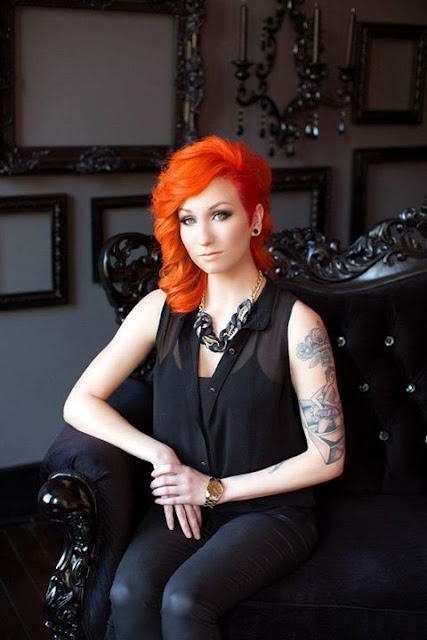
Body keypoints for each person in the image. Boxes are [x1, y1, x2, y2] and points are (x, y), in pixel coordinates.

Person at [63, 135, 345, 640]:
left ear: (255, 219)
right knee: (128, 592)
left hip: (270, 512)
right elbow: (80, 402)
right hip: (185, 503)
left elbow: (329, 456)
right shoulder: (160, 309)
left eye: (220, 215)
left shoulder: (298, 324)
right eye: (188, 219)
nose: (203, 237)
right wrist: (160, 455)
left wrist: (214, 489)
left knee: (185, 601)